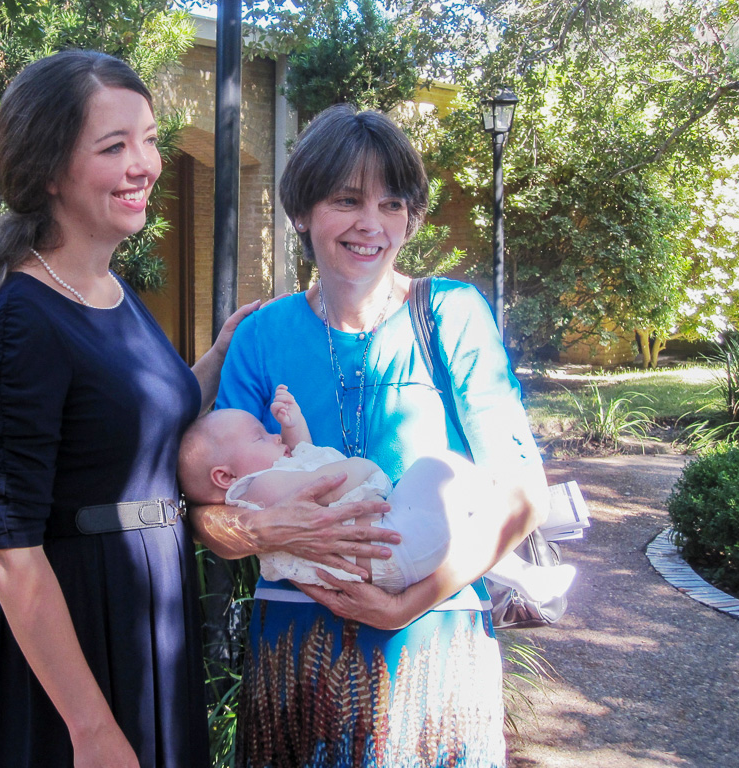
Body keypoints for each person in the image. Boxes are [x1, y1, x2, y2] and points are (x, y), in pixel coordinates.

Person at [0, 50, 343, 768]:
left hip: (147, 617)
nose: (143, 163)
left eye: (148, 139)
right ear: (49, 171)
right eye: (113, 146)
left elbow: (127, 427)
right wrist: (91, 732)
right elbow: (8, 552)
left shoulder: (109, 292)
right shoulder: (19, 322)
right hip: (75, 641)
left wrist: (213, 361)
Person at [189, 105, 551, 767]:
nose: (369, 224)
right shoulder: (263, 336)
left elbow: (523, 494)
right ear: (302, 213)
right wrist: (270, 533)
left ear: (411, 218)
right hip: (295, 642)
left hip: (432, 631)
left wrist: (405, 602)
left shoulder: (450, 313)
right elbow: (207, 514)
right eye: (346, 200)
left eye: (391, 204)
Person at [179, 386, 574, 599]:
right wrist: (363, 470)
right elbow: (323, 480)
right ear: (225, 477)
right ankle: (497, 506)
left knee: (456, 520)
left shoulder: (267, 481)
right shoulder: (259, 486)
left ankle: (523, 574)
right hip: (386, 551)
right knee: (441, 468)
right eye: (259, 436)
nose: (272, 434)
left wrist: (294, 424)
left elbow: (305, 456)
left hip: (389, 553)